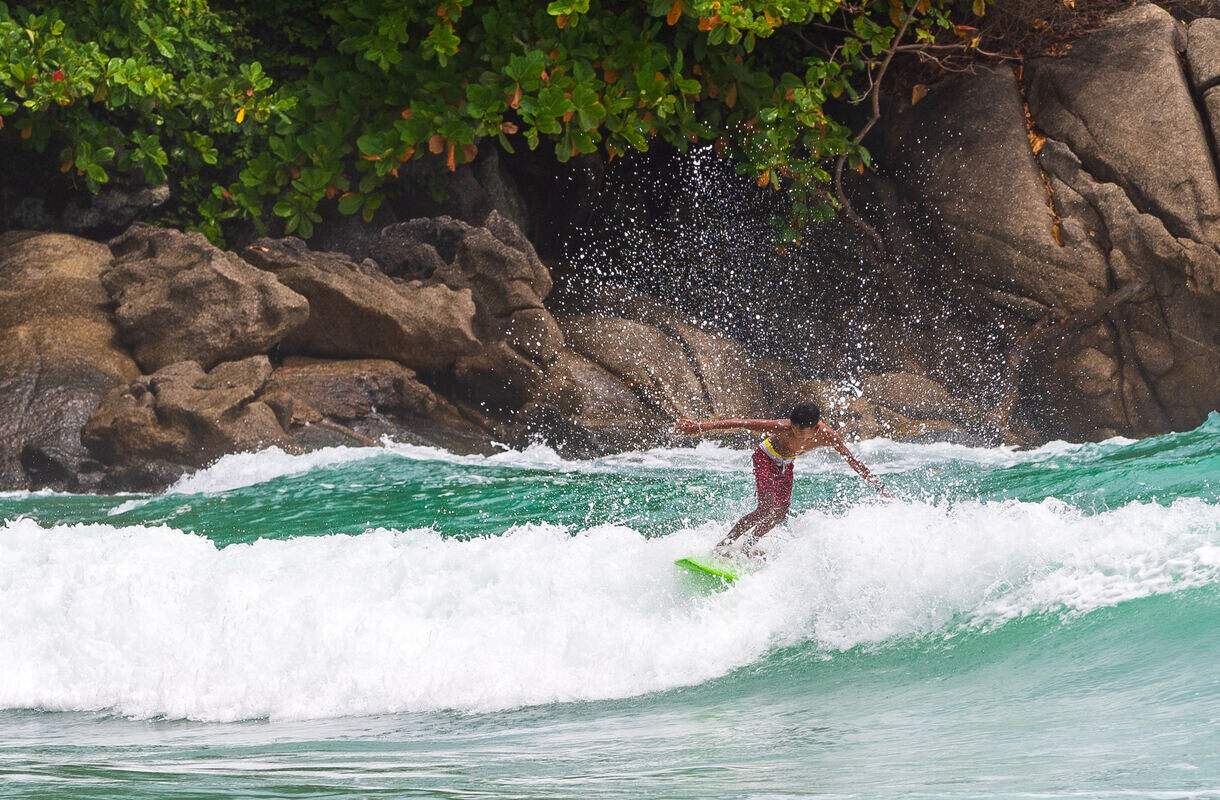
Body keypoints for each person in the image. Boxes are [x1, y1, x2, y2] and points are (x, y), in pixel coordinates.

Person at [673, 401, 891, 555]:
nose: (794, 434)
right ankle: (723, 545)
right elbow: (742, 422)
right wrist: (699, 427)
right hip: (766, 457)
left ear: (815, 427)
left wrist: (879, 487)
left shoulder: (828, 436)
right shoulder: (782, 427)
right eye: (793, 430)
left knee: (780, 513)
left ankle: (747, 546)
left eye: (800, 433)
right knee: (765, 507)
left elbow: (852, 460)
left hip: (786, 464)